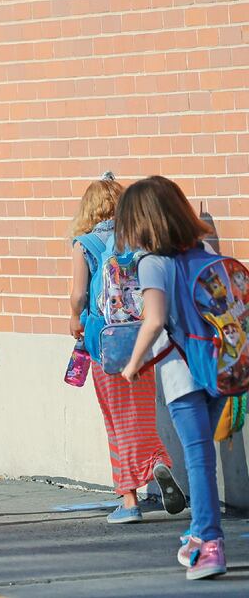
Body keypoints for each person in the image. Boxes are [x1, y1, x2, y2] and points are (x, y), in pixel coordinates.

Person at [117, 176, 228, 580]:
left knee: (198, 461)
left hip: (182, 374)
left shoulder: (152, 262)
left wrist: (132, 364)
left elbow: (155, 320)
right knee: (203, 460)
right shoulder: (205, 252)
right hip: (219, 369)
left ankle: (209, 543)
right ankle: (199, 532)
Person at [69, 174, 184, 524]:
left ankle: (129, 500)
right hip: (142, 340)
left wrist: (75, 317)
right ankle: (157, 461)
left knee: (115, 421)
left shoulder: (84, 243)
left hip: (104, 342)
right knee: (141, 413)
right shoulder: (139, 239)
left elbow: (78, 295)